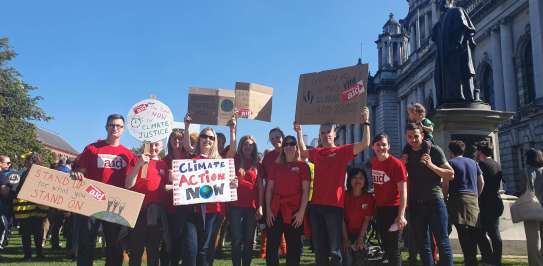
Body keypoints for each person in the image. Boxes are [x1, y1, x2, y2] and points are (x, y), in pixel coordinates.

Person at [294, 107, 371, 266]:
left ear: (335, 134)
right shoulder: (317, 152)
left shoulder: (343, 151)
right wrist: (299, 131)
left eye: (328, 132)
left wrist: (366, 122)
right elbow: (302, 150)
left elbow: (365, 143)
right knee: (320, 249)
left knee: (335, 251)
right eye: (322, 132)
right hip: (316, 207)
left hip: (334, 207)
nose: (325, 135)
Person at [70, 114, 137, 266]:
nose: (115, 128)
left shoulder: (128, 155)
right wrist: (78, 173)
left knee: (114, 245)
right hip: (90, 200)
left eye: (119, 126)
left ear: (123, 129)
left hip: (114, 205)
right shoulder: (92, 148)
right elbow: (80, 169)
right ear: (106, 127)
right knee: (86, 242)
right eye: (112, 125)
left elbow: (130, 182)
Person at [181, 113, 236, 266]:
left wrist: (232, 130)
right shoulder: (192, 159)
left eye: (212, 138)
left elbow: (232, 151)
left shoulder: (219, 162)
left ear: (215, 142)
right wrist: (186, 126)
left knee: (205, 250)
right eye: (205, 136)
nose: (208, 139)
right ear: (200, 139)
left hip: (213, 211)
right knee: (191, 249)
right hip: (192, 211)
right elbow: (186, 145)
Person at [404, 123, 455, 266]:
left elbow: (450, 174)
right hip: (415, 204)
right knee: (423, 244)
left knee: (442, 241)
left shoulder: (434, 150)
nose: (413, 139)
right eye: (409, 137)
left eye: (416, 136)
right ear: (406, 137)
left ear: (422, 135)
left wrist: (431, 165)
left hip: (434, 201)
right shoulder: (406, 154)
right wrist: (402, 166)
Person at [265, 135, 310, 266]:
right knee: (272, 248)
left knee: (294, 249)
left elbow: (306, 191)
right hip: (275, 210)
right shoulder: (275, 167)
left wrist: (301, 212)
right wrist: (268, 210)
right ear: (283, 147)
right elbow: (269, 189)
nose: (289, 146)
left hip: (294, 212)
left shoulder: (303, 166)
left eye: (292, 144)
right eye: (286, 144)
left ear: (297, 147)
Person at [125, 141, 169, 266]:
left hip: (156, 212)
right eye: (151, 144)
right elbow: (128, 184)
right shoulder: (136, 160)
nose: (153, 148)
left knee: (154, 250)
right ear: (145, 145)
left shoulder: (163, 164)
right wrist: (139, 164)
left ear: (161, 146)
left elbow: (164, 188)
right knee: (136, 250)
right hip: (138, 210)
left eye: (156, 145)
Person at [371, 133, 408, 266]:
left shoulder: (396, 164)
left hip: (394, 210)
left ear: (389, 146)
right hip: (381, 210)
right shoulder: (373, 162)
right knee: (386, 246)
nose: (381, 147)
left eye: (384, 144)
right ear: (373, 147)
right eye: (378, 145)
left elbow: (403, 191)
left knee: (394, 248)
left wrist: (401, 215)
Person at [445, 140, 484, 266]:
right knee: (473, 232)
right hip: (473, 199)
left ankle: (469, 260)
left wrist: (444, 197)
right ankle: (472, 259)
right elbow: (481, 181)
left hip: (457, 199)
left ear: (450, 152)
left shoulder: (450, 163)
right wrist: (476, 194)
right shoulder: (473, 162)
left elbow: (446, 184)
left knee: (462, 233)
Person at [229, 134, 261, 266]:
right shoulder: (234, 160)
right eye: (245, 144)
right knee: (236, 240)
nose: (248, 147)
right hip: (235, 206)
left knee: (249, 241)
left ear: (254, 148)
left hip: (251, 207)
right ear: (241, 146)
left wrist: (260, 207)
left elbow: (260, 187)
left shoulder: (258, 164)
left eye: (251, 145)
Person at [12, 153, 49, 260]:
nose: (24, 163)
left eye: (26, 161)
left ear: (30, 161)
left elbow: (18, 189)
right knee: (36, 232)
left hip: (27, 209)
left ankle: (30, 255)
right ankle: (37, 254)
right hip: (35, 209)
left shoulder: (25, 173)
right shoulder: (42, 173)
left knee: (29, 233)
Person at [161, 128, 189, 266]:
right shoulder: (164, 161)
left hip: (187, 207)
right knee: (169, 240)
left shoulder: (190, 158)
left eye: (180, 139)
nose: (177, 141)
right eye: (174, 139)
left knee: (183, 241)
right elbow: (161, 186)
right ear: (170, 141)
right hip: (170, 207)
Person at [259, 128, 288, 259]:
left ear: (283, 136)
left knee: (293, 242)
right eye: (272, 138)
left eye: (277, 137)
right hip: (273, 205)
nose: (275, 140)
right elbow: (261, 179)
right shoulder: (268, 157)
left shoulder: (292, 152)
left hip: (290, 203)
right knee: (272, 240)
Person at [475, 142, 503, 266]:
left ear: (480, 151)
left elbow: (479, 184)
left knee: (481, 233)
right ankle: (494, 259)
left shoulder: (482, 165)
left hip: (485, 203)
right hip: (496, 201)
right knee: (494, 232)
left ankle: (489, 258)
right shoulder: (496, 164)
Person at [341, 168, 375, 266]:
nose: (358, 180)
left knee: (360, 258)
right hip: (345, 233)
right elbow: (341, 219)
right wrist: (345, 239)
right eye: (354, 178)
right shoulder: (344, 196)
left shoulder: (369, 197)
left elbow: (366, 220)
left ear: (365, 181)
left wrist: (360, 238)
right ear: (349, 180)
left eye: (361, 178)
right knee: (347, 260)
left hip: (361, 233)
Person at [522, 148, 543, 266]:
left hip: (531, 208)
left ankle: (536, 263)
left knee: (533, 239)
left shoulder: (525, 171)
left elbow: (522, 189)